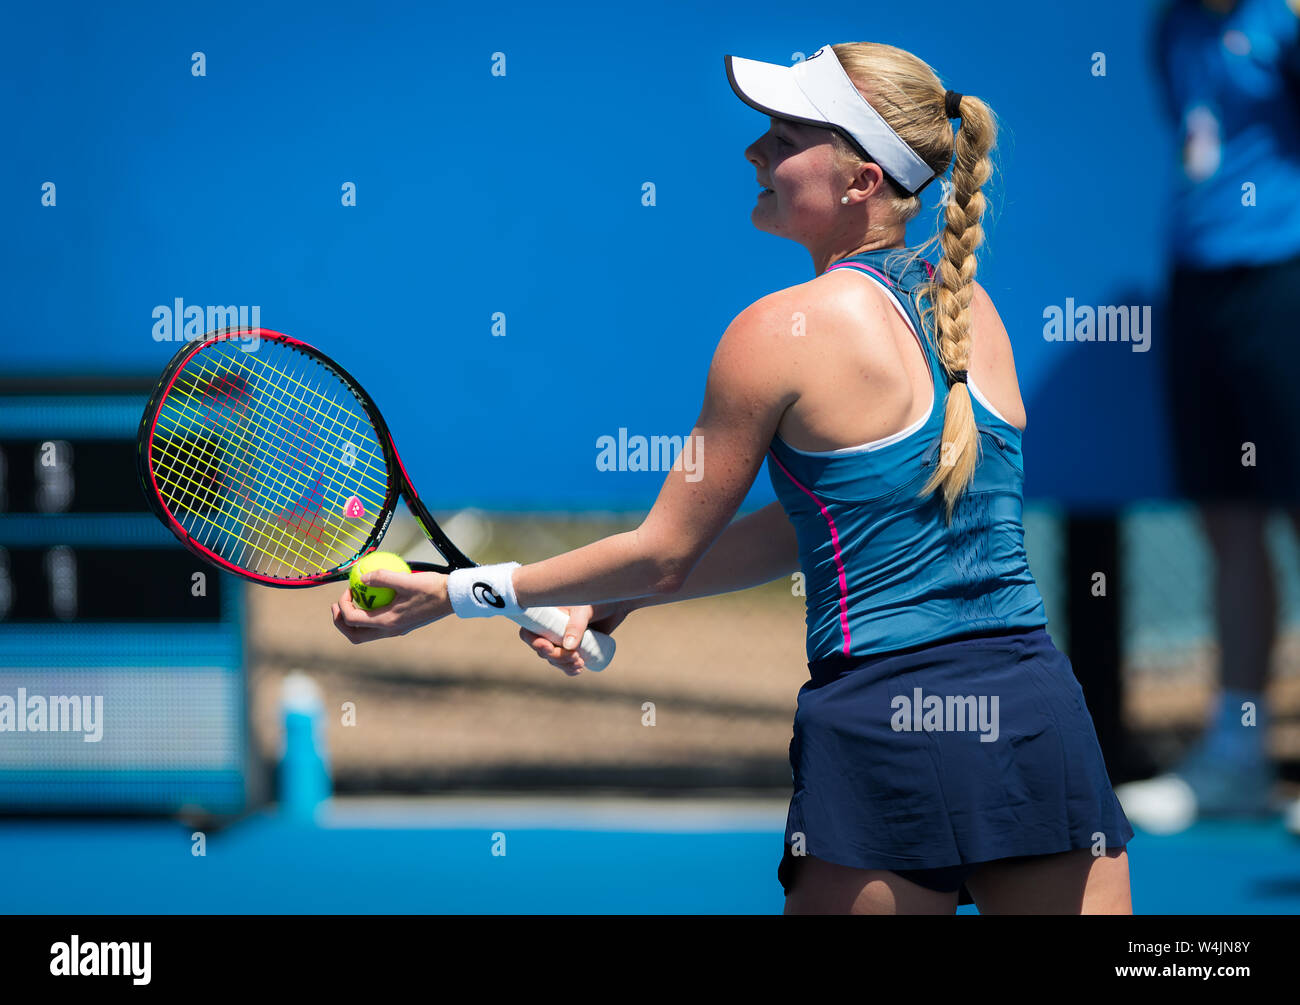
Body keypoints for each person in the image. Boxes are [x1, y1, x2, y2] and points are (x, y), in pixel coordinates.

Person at [331, 41, 1134, 914]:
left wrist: (452, 593)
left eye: (785, 135)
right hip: (1034, 714)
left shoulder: (774, 331)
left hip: (884, 726)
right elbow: (824, 524)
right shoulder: (972, 310)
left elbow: (663, 551)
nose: (756, 152)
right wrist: (619, 601)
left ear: (861, 179)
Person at [1117, 0, 1300, 835]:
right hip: (1198, 284)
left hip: (1285, 278)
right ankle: (1238, 752)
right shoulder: (1172, 26)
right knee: (1226, 519)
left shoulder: (1286, 19)